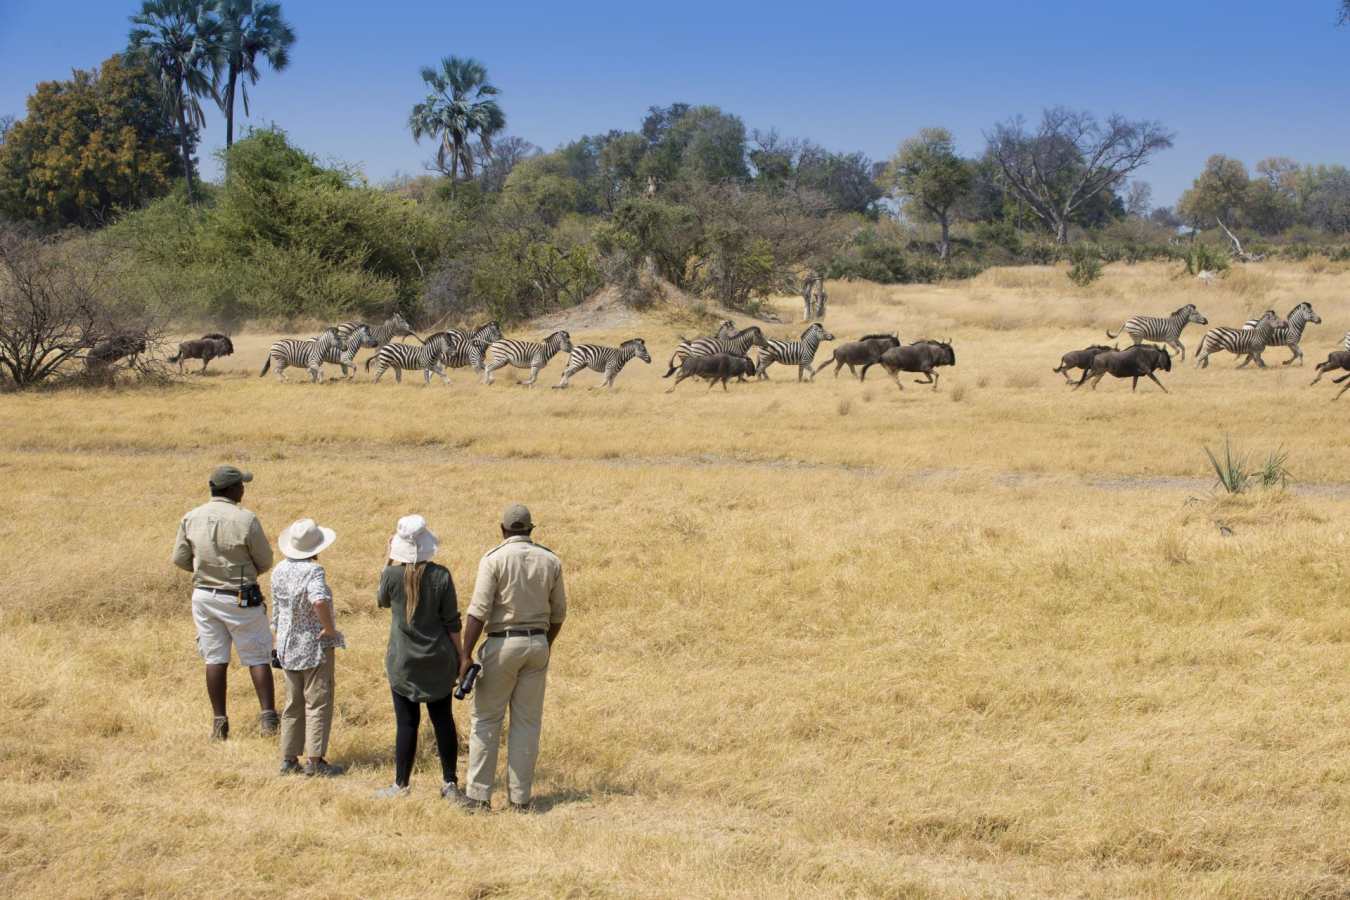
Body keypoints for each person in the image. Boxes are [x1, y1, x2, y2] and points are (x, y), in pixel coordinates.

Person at [458, 504, 567, 812]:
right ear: (531, 529)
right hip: (537, 644)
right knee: (527, 724)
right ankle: (520, 799)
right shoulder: (550, 560)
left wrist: (465, 654)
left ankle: (479, 795)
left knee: (487, 720)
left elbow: (478, 611)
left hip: (502, 644)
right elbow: (559, 612)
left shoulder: (494, 559)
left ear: (502, 529)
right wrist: (545, 644)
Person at [171, 465, 277, 741]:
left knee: (215, 658)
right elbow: (265, 560)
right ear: (231, 490)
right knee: (257, 656)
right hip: (240, 595)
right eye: (241, 485)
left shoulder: (191, 516)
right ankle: (268, 720)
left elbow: (180, 558)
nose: (243, 489)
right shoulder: (246, 519)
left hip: (204, 595)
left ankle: (220, 723)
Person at [375, 515, 464, 799]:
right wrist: (463, 656)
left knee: (406, 723)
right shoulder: (441, 576)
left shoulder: (391, 576)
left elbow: (381, 600)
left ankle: (401, 784)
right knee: (443, 720)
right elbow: (452, 622)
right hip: (438, 661)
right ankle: (449, 782)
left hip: (403, 662)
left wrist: (389, 559)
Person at [272, 518, 346, 777]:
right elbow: (319, 599)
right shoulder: (314, 572)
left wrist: (276, 640)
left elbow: (277, 610)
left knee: (292, 702)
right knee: (317, 701)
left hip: (287, 645)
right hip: (313, 646)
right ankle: (315, 761)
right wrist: (328, 627)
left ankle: (289, 758)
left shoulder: (279, 569)